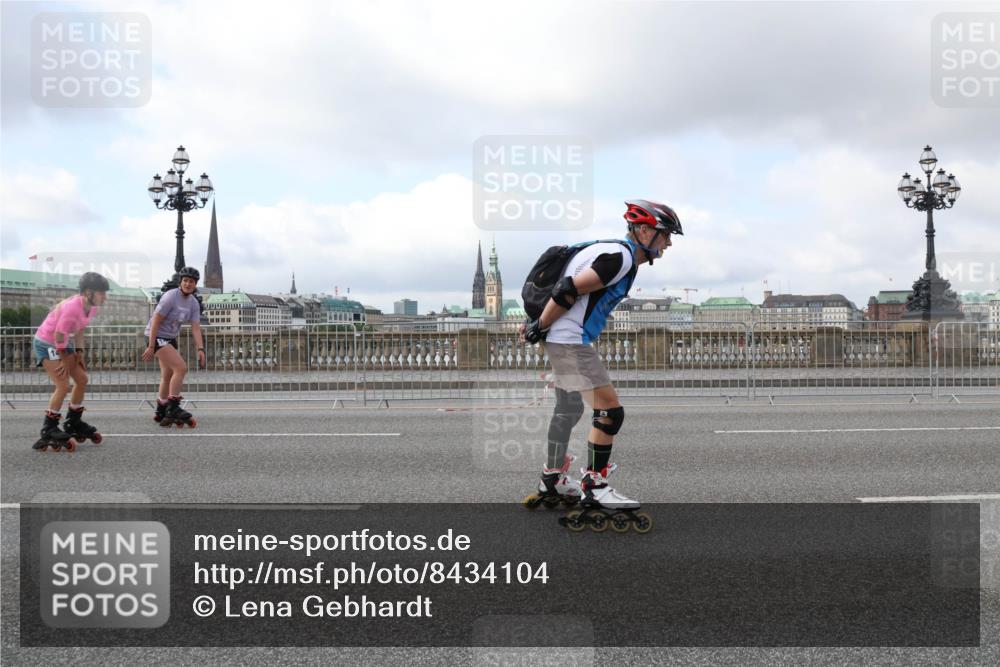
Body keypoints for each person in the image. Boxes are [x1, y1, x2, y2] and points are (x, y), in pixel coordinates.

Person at [519, 200, 682, 529]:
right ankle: (595, 485)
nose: (669, 242)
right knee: (610, 411)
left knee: (568, 408)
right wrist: (540, 326)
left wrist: (537, 322)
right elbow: (567, 290)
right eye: (665, 235)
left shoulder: (605, 249)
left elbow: (562, 283)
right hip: (570, 339)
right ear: (645, 231)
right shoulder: (621, 257)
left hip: (561, 337)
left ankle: (552, 478)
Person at [31, 272, 110, 451]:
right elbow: (59, 334)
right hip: (47, 343)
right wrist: (66, 359)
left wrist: (79, 352)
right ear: (88, 293)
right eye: (102, 292)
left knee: (82, 379)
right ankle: (49, 428)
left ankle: (73, 421)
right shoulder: (73, 307)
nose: (105, 296)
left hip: (61, 342)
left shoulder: (92, 307)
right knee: (63, 384)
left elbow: (79, 330)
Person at [141, 266, 206, 427]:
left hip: (169, 338)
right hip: (155, 336)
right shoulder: (170, 296)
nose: (188, 284)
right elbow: (155, 320)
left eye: (191, 282)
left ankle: (161, 409)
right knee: (181, 368)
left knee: (168, 374)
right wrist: (151, 346)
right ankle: (173, 407)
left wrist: (201, 349)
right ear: (181, 282)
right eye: (185, 281)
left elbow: (196, 328)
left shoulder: (193, 303)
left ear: (195, 284)